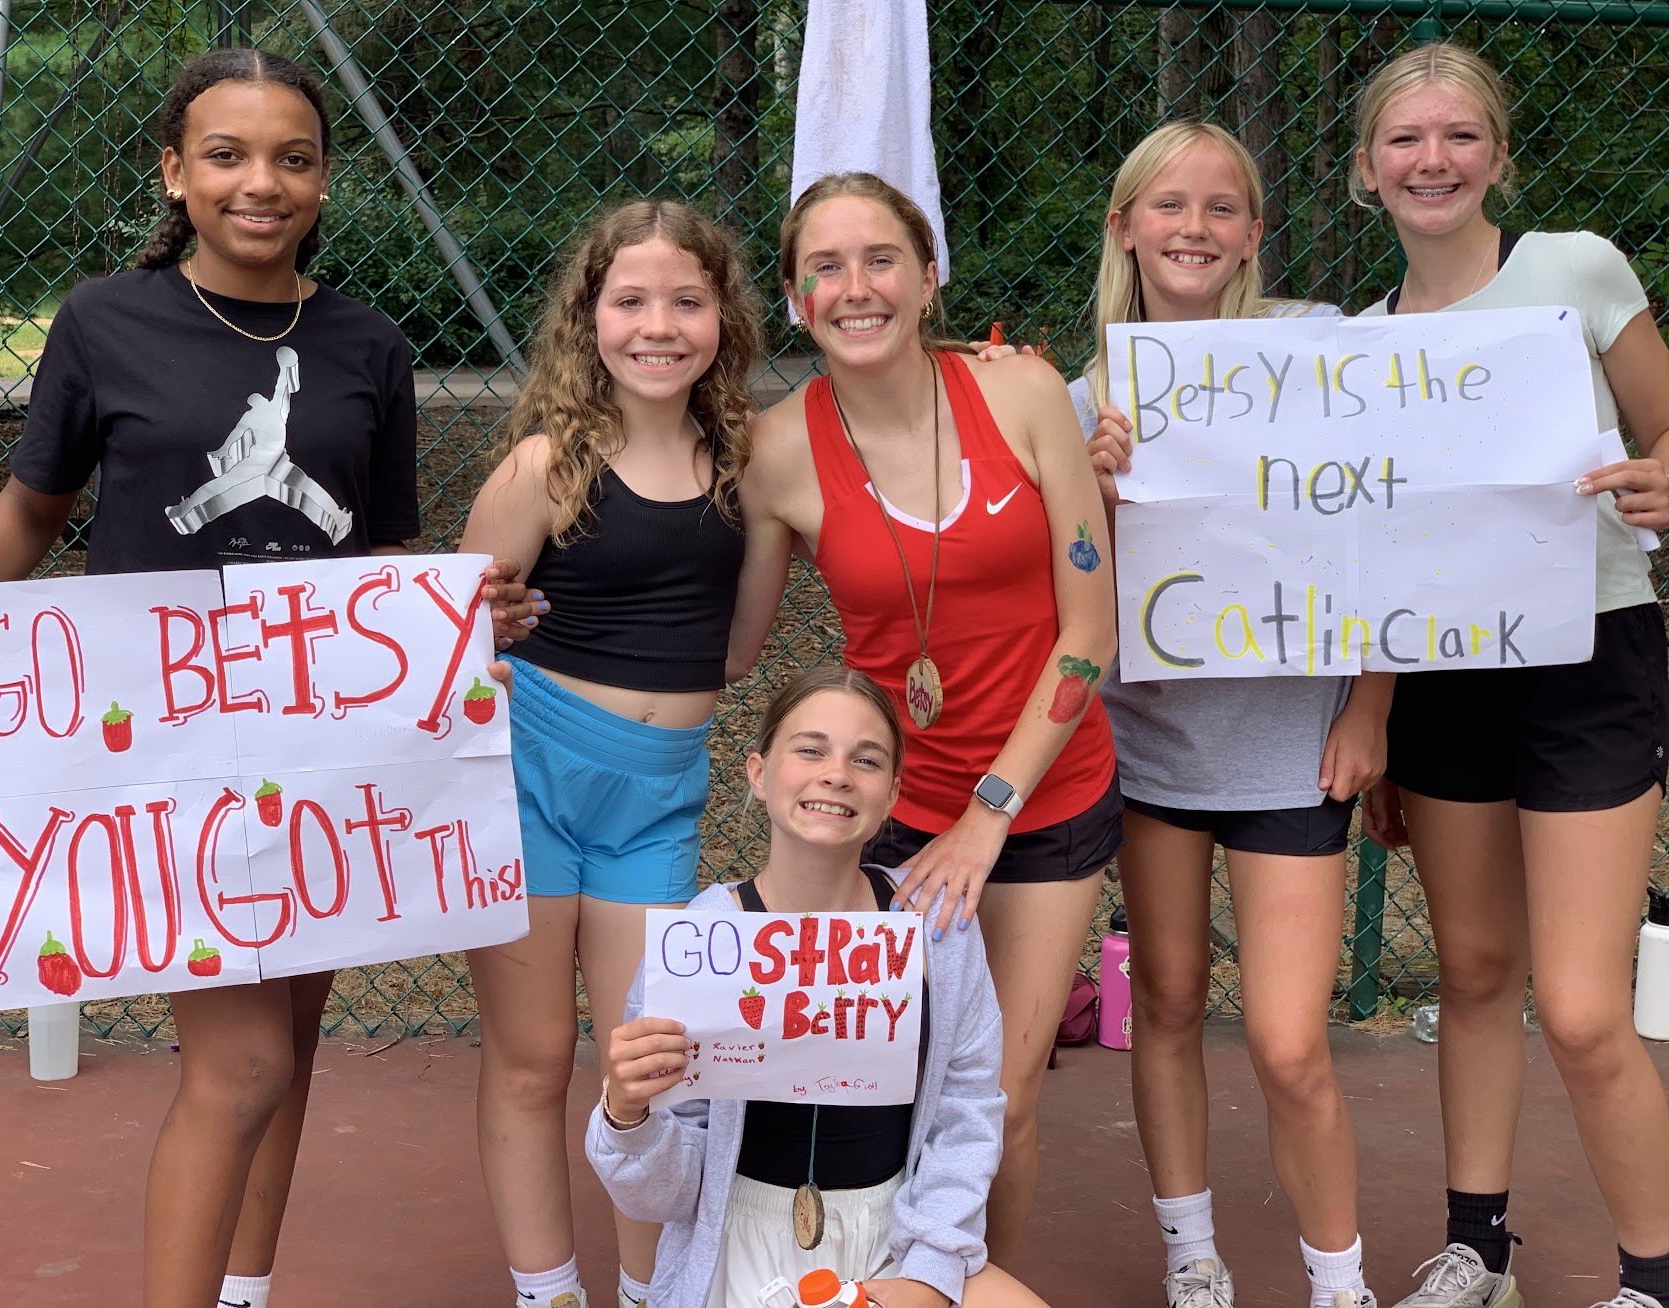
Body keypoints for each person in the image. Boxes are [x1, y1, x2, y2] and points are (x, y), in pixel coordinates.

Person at [0, 50, 533, 1308]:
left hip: (320, 750)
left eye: (292, 158)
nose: (262, 183)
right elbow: (35, 507)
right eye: (227, 155)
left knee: (288, 1048)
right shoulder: (106, 321)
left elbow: (382, 555)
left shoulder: (368, 344)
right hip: (166, 754)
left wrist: (459, 621)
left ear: (324, 180)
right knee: (244, 1063)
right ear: (175, 174)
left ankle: (243, 1290)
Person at [730, 172, 1120, 1266]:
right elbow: (731, 648)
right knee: (891, 1084)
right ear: (796, 297)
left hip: (1042, 797)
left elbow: (1090, 630)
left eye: (881, 260)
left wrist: (990, 814)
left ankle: (967, 1287)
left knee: (999, 1096)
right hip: (891, 810)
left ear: (928, 275)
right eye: (826, 268)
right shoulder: (775, 450)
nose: (856, 288)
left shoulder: (1022, 392)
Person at [1350, 42, 1669, 1308]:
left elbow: (1665, 427)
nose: (1431, 160)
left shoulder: (1573, 268)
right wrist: (1372, 712)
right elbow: (1358, 553)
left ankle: (1651, 1275)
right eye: (1404, 139)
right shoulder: (1356, 346)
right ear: (1366, 170)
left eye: (1458, 135)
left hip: (1588, 655)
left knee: (1582, 1009)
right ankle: (1476, 1250)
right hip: (1443, 673)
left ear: (1497, 156)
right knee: (1475, 975)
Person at [1063, 122, 1389, 1308]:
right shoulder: (1078, 399)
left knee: (1289, 1042)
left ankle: (1337, 1280)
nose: (1191, 228)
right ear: (1123, 227)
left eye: (1218, 208)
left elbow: (1386, 530)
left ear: (1253, 232)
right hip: (1151, 749)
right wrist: (1092, 494)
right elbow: (1068, 595)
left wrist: (1371, 706)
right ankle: (1190, 1256)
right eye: (1167, 205)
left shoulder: (1315, 353)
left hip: (1289, 743)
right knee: (1165, 1001)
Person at [458, 199, 763, 1308]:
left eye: (687, 301)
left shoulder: (747, 466)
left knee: (646, 1058)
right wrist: (489, 641)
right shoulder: (548, 465)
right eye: (630, 301)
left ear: (724, 317)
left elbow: (740, 647)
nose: (659, 325)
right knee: (533, 1055)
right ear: (589, 318)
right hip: (529, 781)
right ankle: (547, 1290)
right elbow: (455, 638)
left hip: (657, 798)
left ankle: (649, 1290)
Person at [587, 665, 1051, 1308]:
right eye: (810, 750)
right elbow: (664, 1195)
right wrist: (627, 1114)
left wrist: (929, 1272)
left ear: (893, 793)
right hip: (737, 1244)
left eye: (866, 759)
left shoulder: (935, 928)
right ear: (758, 772)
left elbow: (966, 1112)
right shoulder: (704, 938)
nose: (836, 774)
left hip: (896, 1240)